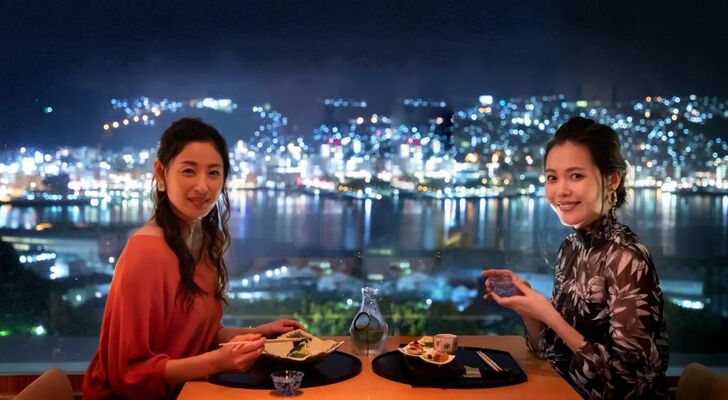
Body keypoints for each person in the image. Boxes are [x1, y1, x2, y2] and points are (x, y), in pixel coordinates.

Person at [83, 118, 304, 399]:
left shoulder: (200, 241)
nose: (203, 186)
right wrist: (217, 363)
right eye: (189, 171)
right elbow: (130, 373)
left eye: (213, 173)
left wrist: (257, 335)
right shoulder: (146, 254)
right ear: (161, 174)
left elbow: (194, 337)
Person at [482, 117, 669, 399]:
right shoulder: (571, 248)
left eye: (576, 176)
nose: (561, 191)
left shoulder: (626, 258)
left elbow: (629, 381)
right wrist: (527, 308)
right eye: (552, 177)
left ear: (612, 180)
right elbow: (552, 354)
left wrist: (549, 314)